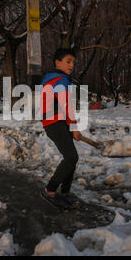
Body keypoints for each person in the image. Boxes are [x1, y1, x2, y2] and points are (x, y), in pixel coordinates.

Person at [39, 48, 83, 210]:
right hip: (55, 123)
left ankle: (64, 193)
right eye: (68, 61)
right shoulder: (60, 80)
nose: (71, 65)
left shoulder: (53, 78)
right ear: (57, 62)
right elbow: (66, 105)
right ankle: (49, 191)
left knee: (71, 157)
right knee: (71, 157)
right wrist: (75, 127)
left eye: (73, 62)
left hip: (57, 122)